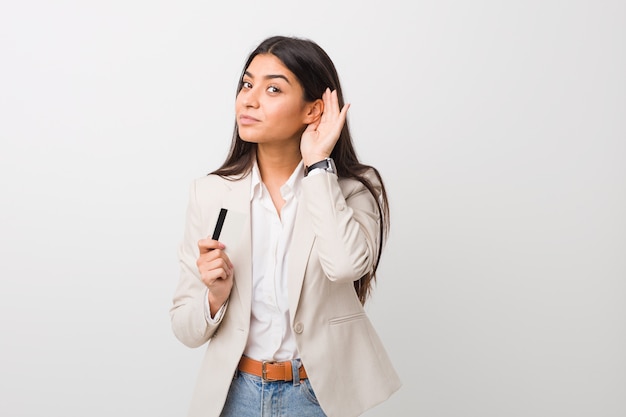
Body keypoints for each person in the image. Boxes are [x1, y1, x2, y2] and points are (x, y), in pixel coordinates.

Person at [170, 35, 401, 417]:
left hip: (316, 397)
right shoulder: (211, 195)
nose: (249, 99)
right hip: (236, 395)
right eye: (247, 84)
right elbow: (184, 327)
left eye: (273, 88)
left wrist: (318, 166)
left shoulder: (353, 190)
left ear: (314, 111)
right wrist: (214, 298)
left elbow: (345, 266)